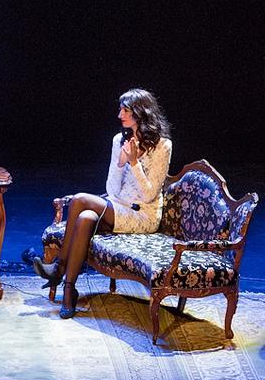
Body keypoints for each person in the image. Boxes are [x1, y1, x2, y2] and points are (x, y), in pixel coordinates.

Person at [33, 88, 172, 319]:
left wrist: (134, 163)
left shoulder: (162, 146)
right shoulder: (120, 140)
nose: (119, 115)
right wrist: (120, 163)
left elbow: (149, 194)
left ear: (141, 112)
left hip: (143, 216)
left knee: (80, 199)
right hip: (118, 208)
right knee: (86, 217)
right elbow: (112, 189)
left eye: (125, 110)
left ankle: (58, 268)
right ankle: (69, 291)